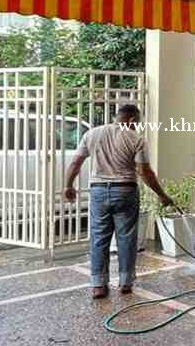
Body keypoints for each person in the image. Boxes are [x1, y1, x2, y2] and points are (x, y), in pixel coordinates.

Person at [63, 105, 176, 299]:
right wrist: (162, 194)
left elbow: (75, 162)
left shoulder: (92, 134)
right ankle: (125, 282)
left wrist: (68, 185)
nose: (137, 127)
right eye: (137, 123)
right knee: (126, 238)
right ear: (131, 120)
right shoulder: (136, 139)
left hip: (98, 191)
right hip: (125, 190)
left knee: (99, 238)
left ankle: (99, 285)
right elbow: (145, 172)